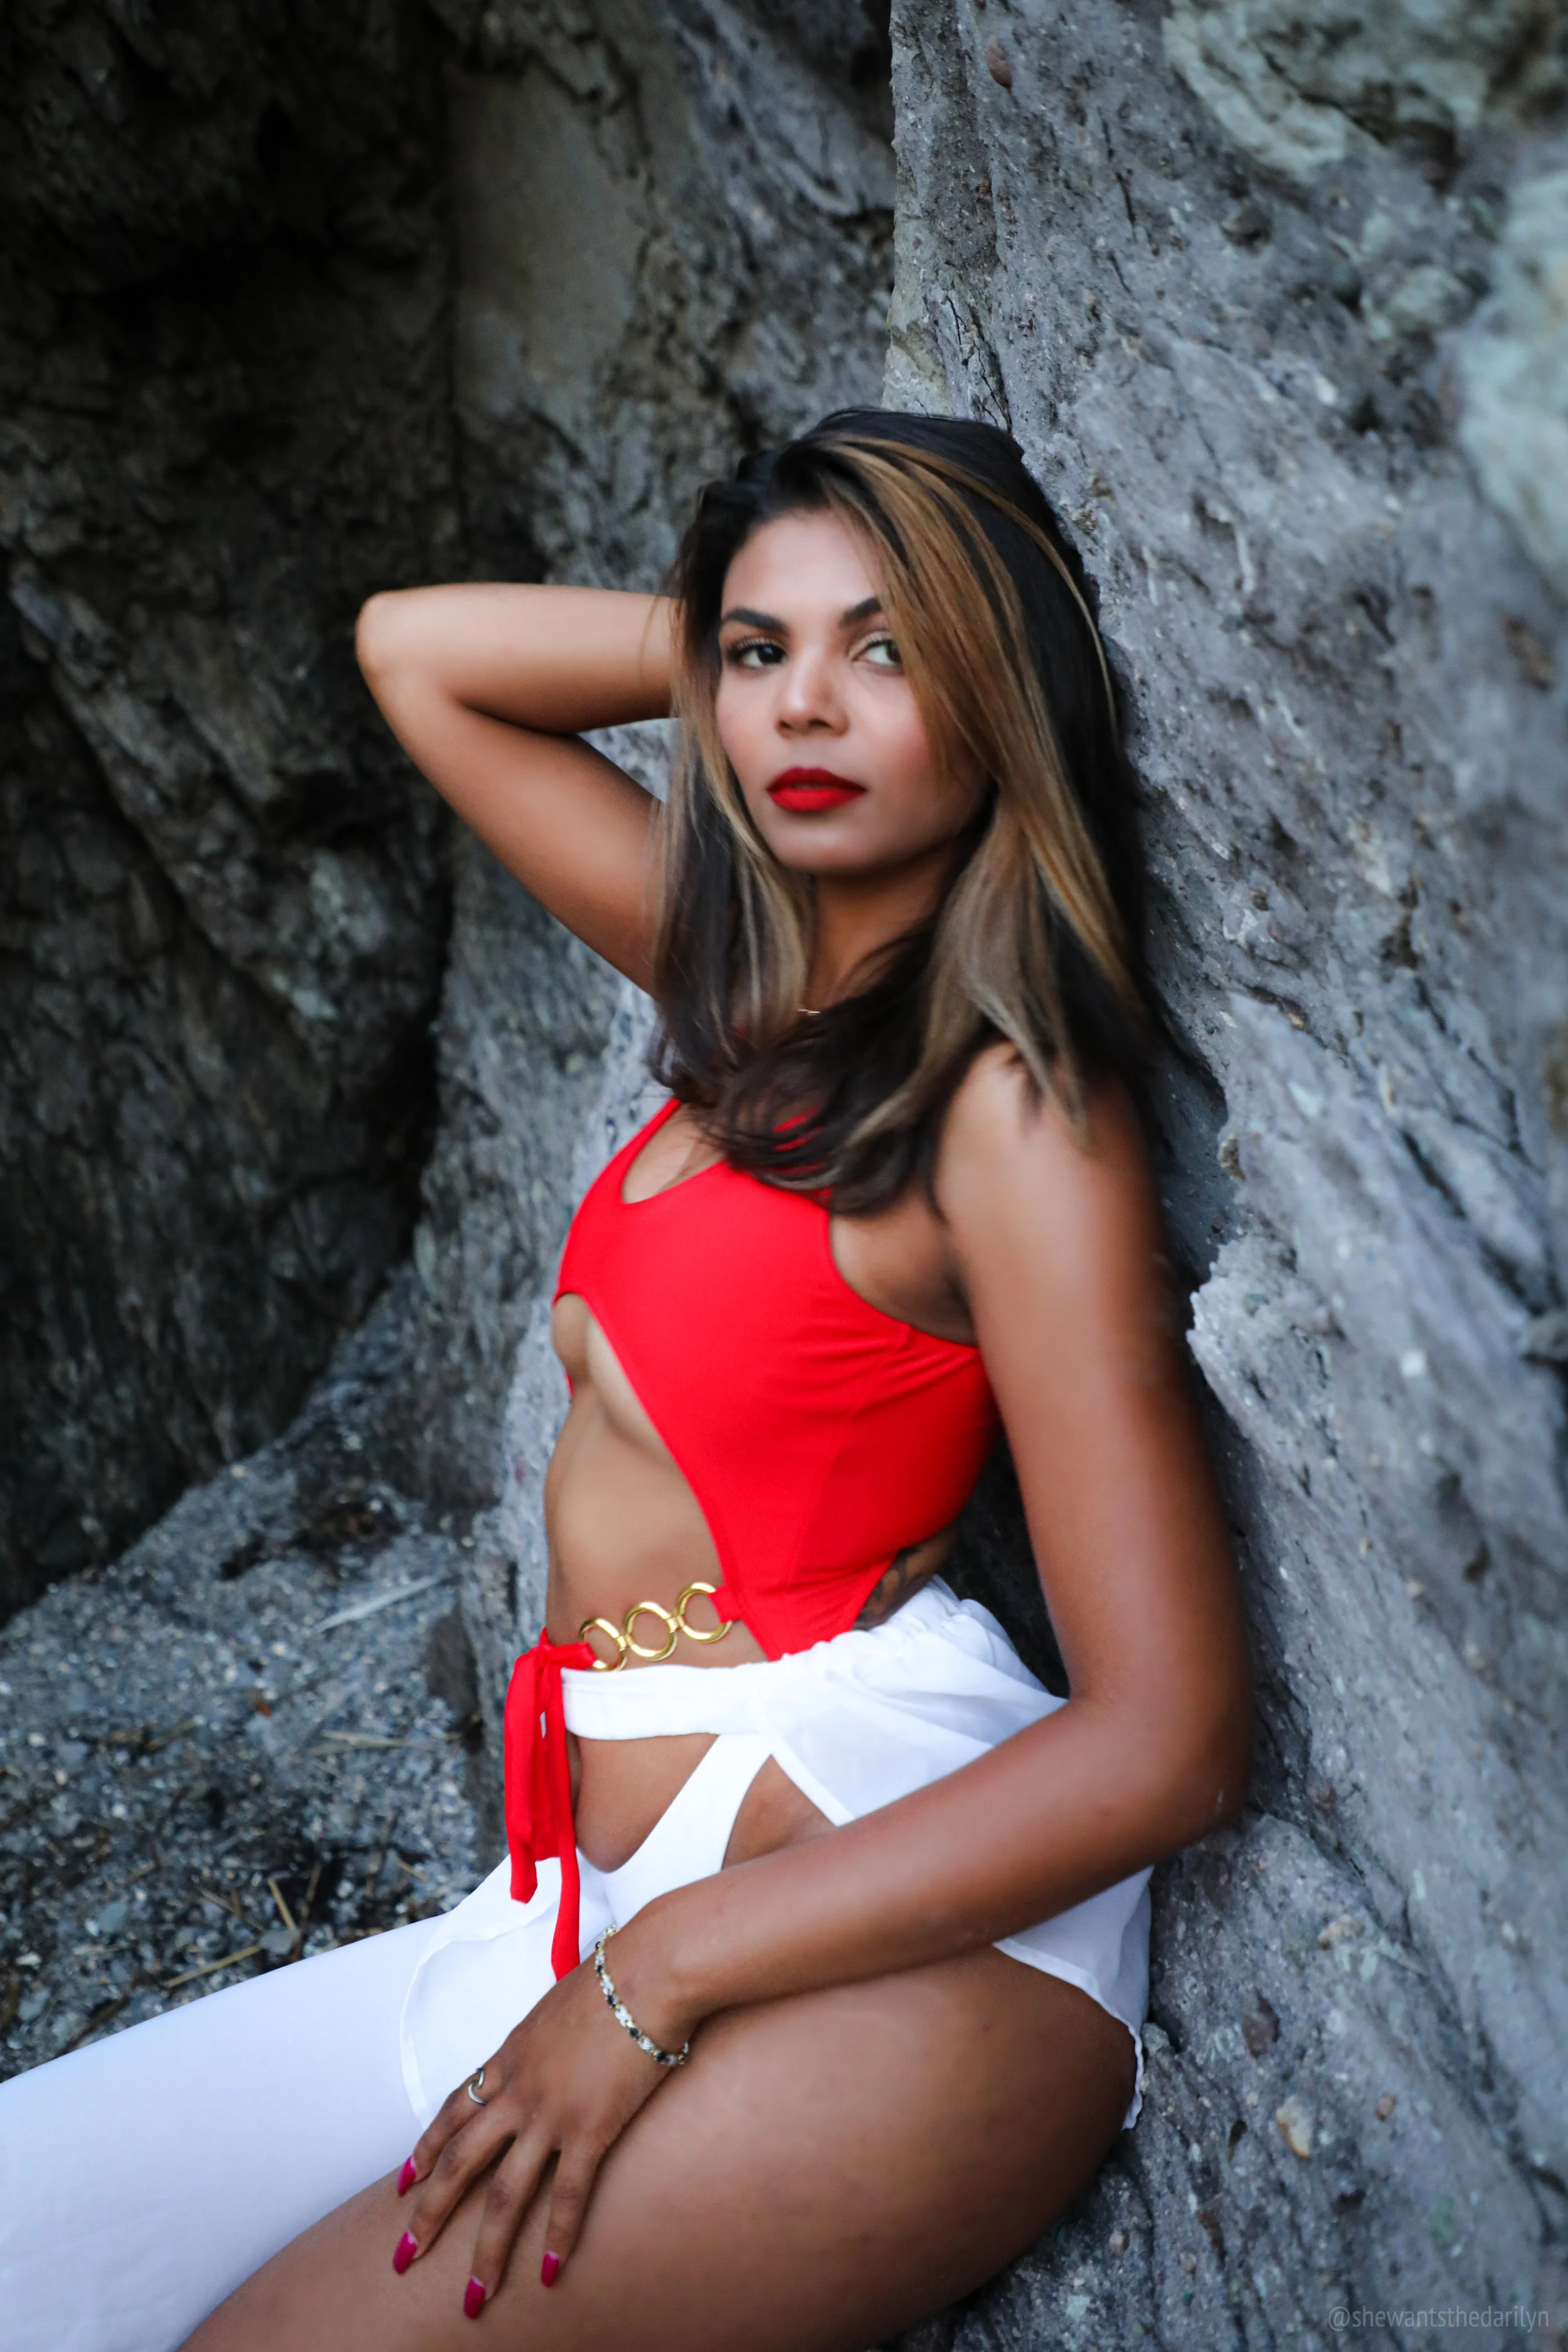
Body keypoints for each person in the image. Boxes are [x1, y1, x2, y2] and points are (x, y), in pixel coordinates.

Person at [0, 410, 1249, 2352]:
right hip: (574, 1903)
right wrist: (755, 664)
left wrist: (653, 1974)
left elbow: (1167, 1733)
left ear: (1000, 685)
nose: (803, 707)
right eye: (759, 656)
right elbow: (421, 652)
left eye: (888, 648)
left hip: (900, 1937)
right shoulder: (746, 989)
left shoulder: (1007, 1104)